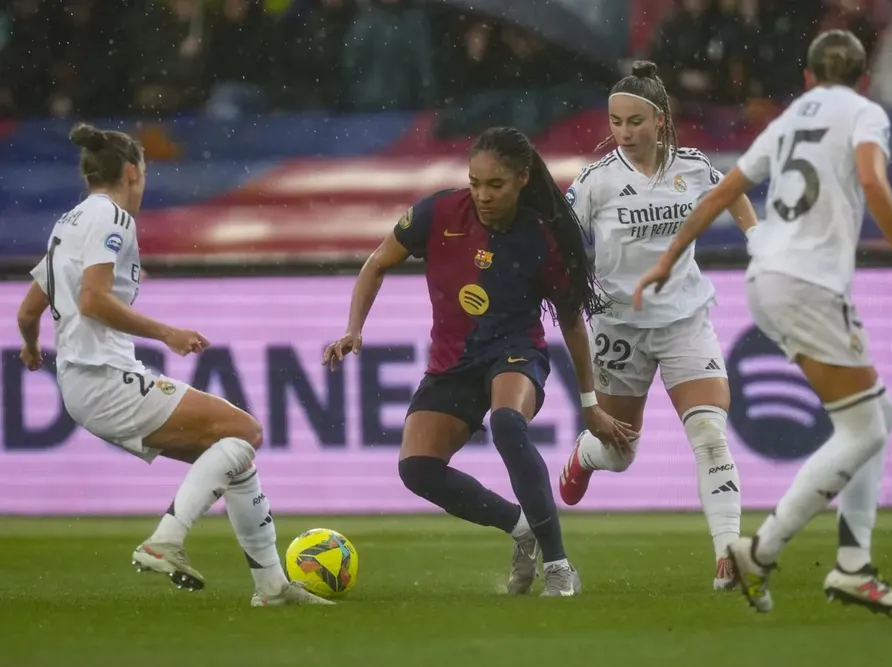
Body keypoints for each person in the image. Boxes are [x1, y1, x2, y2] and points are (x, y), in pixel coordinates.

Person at [633, 30, 892, 616]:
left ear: (810, 77)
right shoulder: (865, 113)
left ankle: (852, 565)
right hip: (809, 283)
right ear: (863, 79)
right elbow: (871, 178)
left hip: (767, 277)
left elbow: (721, 193)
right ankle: (762, 553)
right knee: (863, 431)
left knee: (876, 418)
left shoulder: (788, 122)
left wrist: (666, 258)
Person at [15, 123, 330, 608]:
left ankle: (271, 588)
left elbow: (27, 311)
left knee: (234, 453)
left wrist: (33, 348)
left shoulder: (67, 223)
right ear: (132, 172)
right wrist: (168, 333)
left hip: (82, 382)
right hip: (104, 377)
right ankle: (165, 540)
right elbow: (94, 300)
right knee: (245, 431)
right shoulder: (113, 218)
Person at [324, 126, 635, 597]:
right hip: (453, 363)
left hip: (516, 353)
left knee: (508, 423)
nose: (483, 196)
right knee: (417, 469)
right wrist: (353, 328)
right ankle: (522, 529)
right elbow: (376, 263)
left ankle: (558, 566)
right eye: (475, 183)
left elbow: (572, 323)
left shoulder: (543, 237)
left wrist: (590, 403)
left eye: (496, 185)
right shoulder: (439, 212)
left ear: (523, 180)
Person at [557, 60, 758, 591]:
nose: (623, 133)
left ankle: (728, 555)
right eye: (615, 122)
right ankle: (585, 454)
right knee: (620, 453)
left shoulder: (691, 166)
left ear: (661, 121)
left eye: (634, 122)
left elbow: (731, 190)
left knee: (711, 435)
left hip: (685, 320)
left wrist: (756, 238)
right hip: (619, 329)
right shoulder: (595, 182)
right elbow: (559, 238)